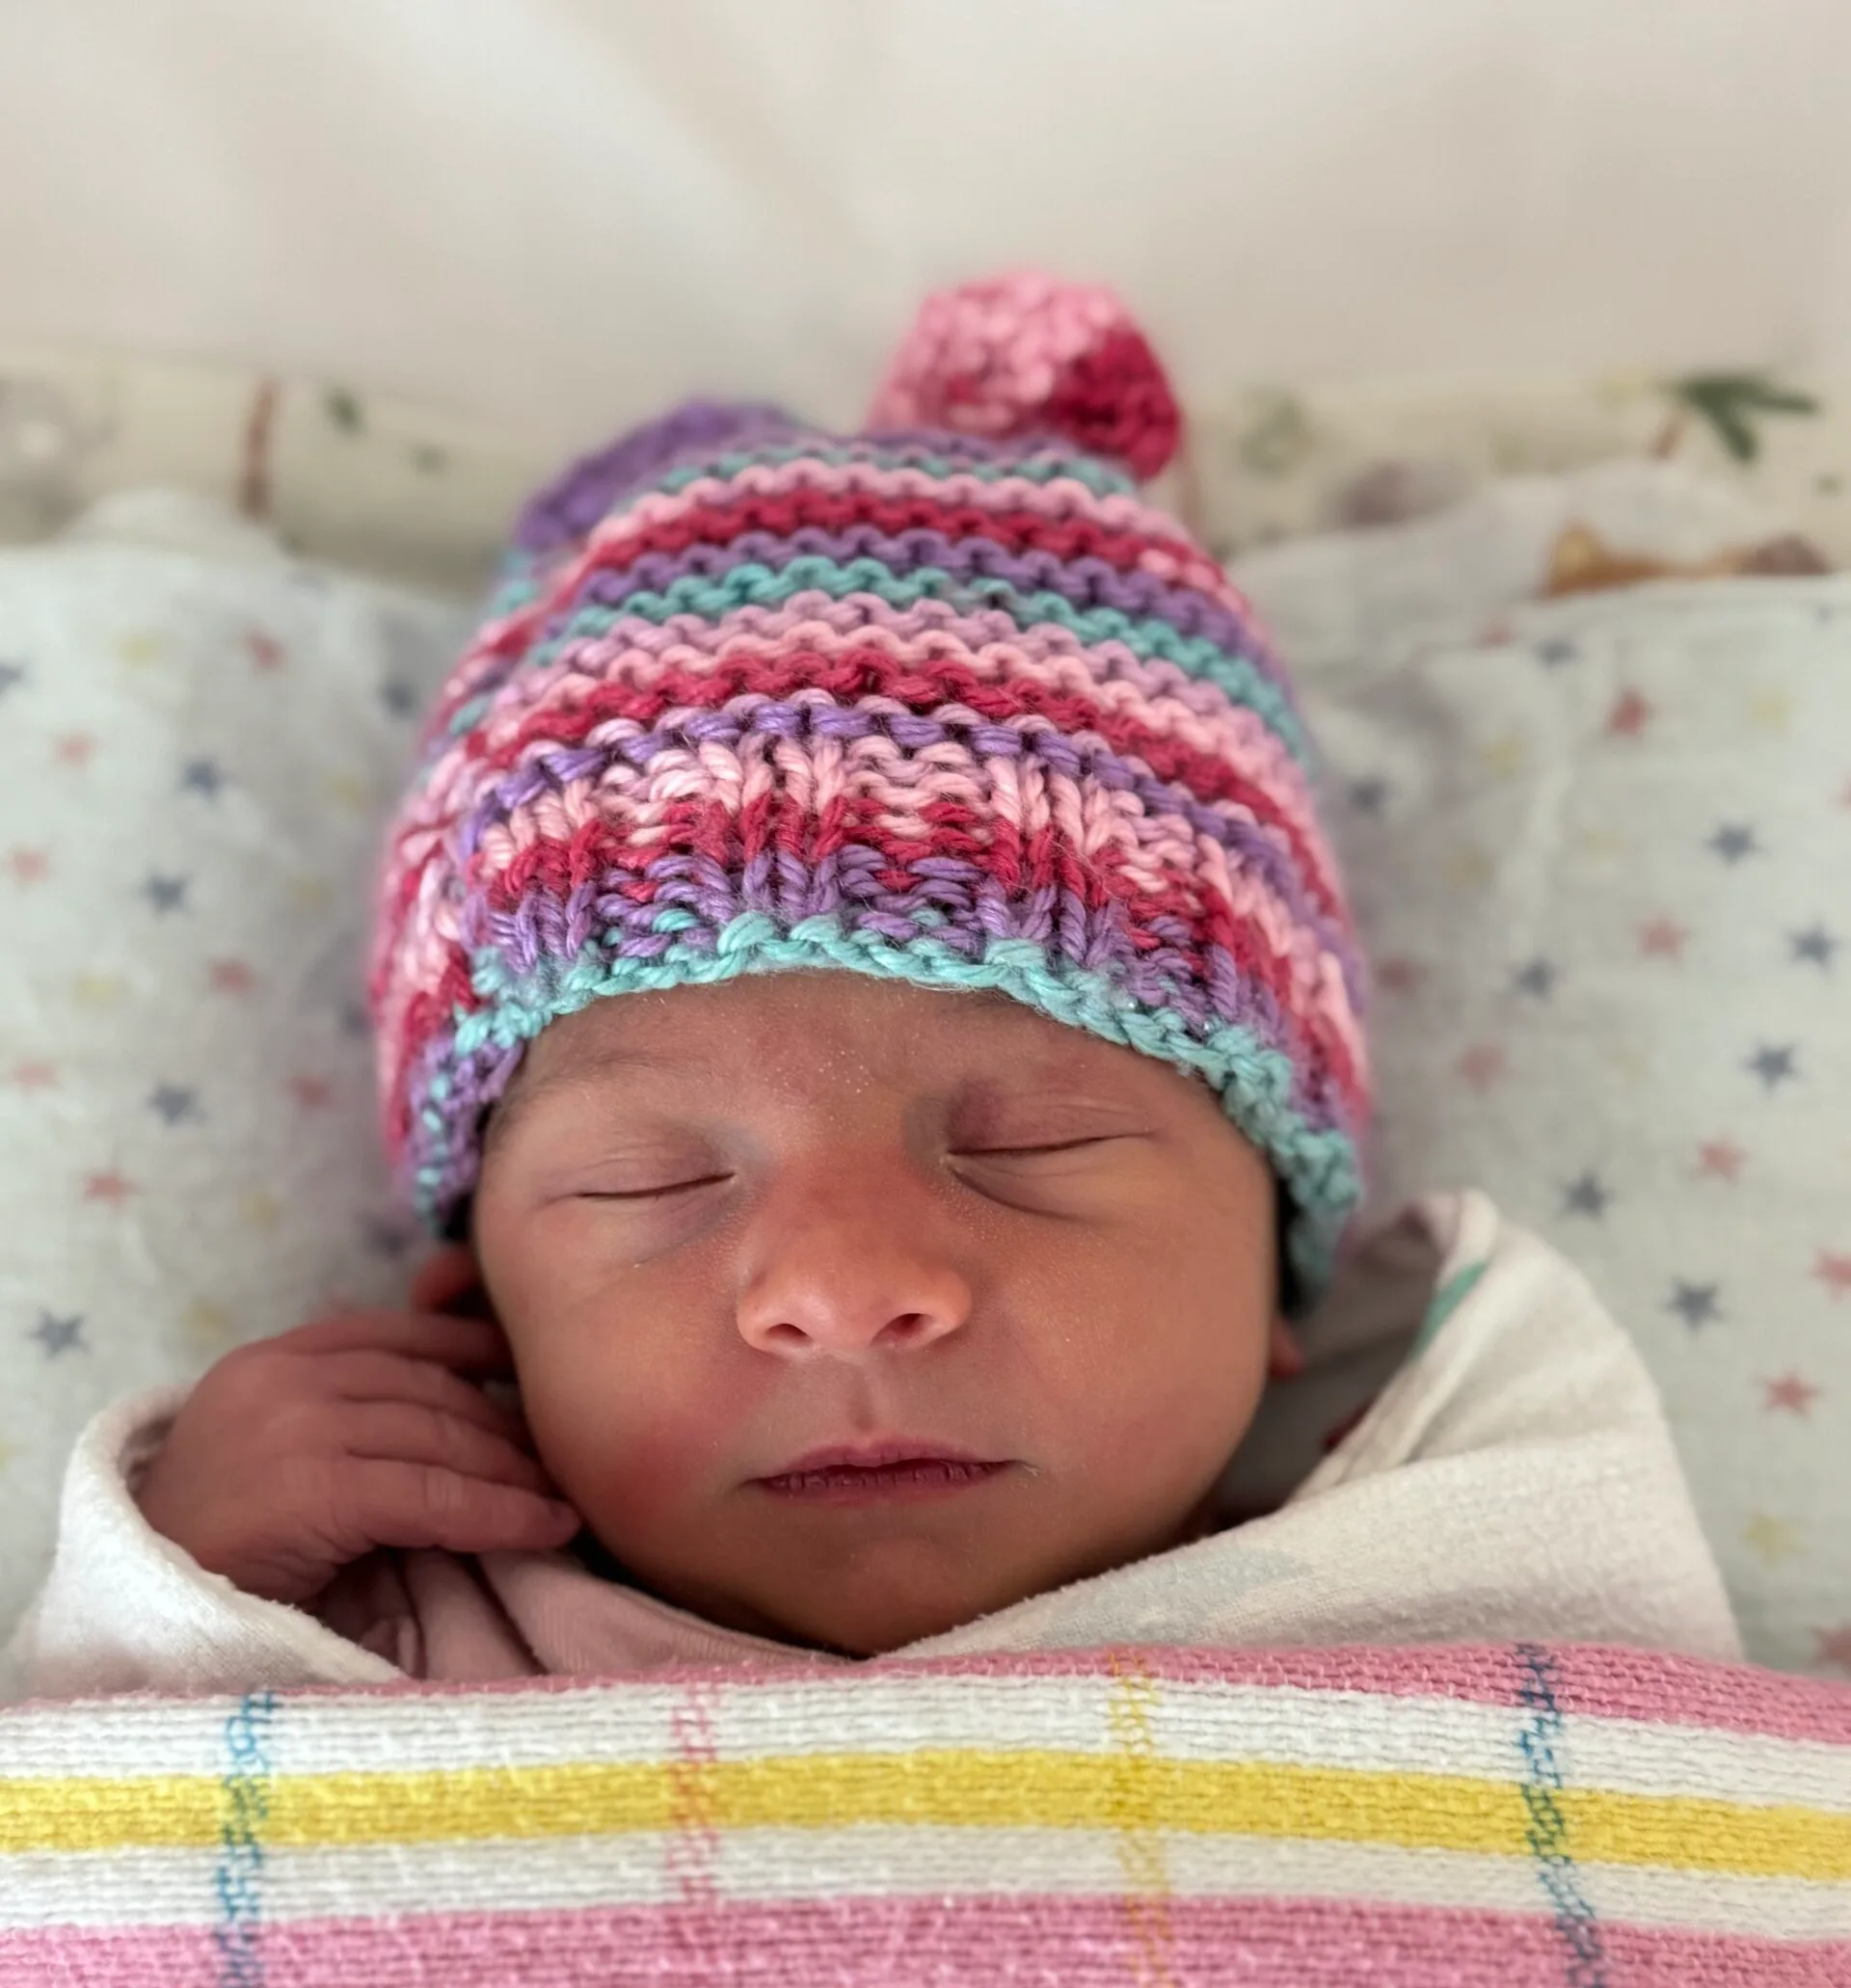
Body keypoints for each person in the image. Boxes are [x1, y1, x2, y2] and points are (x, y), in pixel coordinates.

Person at [0, 273, 1740, 1698]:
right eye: (651, 1180)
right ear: (482, 1312)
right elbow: (79, 1949)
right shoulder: (357, 1625)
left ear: (1280, 1254)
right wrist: (184, 1580)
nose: (844, 1288)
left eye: (1034, 1146)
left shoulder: (1474, 1535)